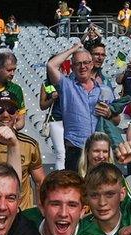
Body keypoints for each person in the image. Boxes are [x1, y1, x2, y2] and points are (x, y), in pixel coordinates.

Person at [47, 42, 118, 172]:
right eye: (78, 63)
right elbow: (51, 65)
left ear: (91, 65)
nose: (82, 67)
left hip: (99, 151)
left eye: (86, 63)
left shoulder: (105, 90)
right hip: (76, 148)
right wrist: (73, 49)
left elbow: (117, 120)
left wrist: (109, 114)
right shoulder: (67, 86)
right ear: (72, 67)